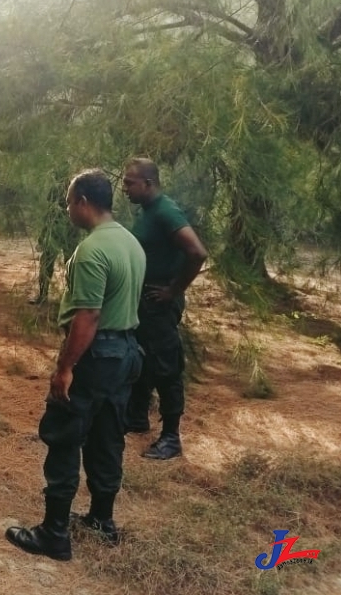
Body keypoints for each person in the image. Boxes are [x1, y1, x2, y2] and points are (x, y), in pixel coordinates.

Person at [5, 169, 145, 562]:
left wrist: (64, 368)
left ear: (83, 201)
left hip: (96, 357)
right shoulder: (130, 243)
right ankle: (102, 520)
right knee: (107, 436)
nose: (68, 209)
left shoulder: (92, 250)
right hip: (126, 354)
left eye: (69, 202)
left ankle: (54, 534)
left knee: (65, 435)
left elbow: (88, 317)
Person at [121, 158, 208, 461]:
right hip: (145, 301)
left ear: (148, 183)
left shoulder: (166, 211)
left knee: (167, 367)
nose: (124, 188)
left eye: (130, 182)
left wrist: (174, 290)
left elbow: (197, 252)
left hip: (160, 303)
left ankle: (171, 437)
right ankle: (136, 418)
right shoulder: (147, 211)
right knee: (143, 360)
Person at [31, 173, 82, 305]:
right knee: (49, 263)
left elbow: (51, 213)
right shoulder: (71, 188)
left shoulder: (73, 189)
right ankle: (44, 296)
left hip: (66, 230)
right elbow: (51, 213)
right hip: (60, 230)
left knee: (69, 265)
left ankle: (70, 298)